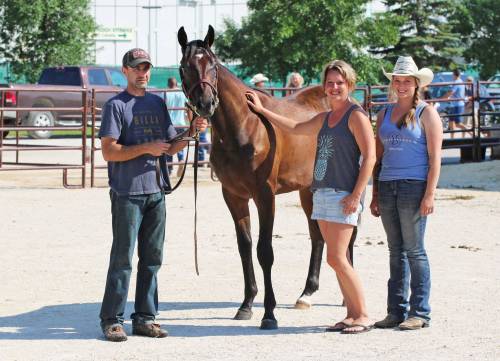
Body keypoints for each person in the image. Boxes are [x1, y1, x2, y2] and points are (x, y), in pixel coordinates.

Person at [246, 60, 376, 334]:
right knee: (333, 258)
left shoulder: (356, 116)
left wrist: (356, 194)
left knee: (339, 258)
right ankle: (351, 314)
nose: (334, 87)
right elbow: (294, 127)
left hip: (343, 194)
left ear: (349, 85)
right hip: (324, 192)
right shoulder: (327, 118)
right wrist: (262, 111)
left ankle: (362, 314)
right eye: (329, 83)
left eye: (339, 83)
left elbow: (370, 156)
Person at [98, 48, 207, 342]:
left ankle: (145, 317)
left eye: (146, 68)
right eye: (137, 68)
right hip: (127, 193)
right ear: (126, 71)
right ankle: (111, 319)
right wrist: (145, 149)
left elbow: (169, 146)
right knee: (122, 258)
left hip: (156, 191)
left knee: (152, 258)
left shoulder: (157, 104)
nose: (142, 73)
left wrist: (190, 132)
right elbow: (109, 151)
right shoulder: (116, 106)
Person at [370, 56, 443, 331]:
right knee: (395, 251)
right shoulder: (384, 114)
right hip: (388, 185)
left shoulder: (427, 113)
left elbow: (435, 158)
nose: (401, 85)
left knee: (415, 250)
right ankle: (395, 311)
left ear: (416, 84)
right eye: (397, 80)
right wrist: (376, 192)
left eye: (406, 81)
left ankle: (420, 312)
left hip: (414, 186)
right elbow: (379, 158)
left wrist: (430, 194)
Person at [165, 77, 190, 176]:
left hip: (170, 124)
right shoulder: (181, 93)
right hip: (181, 123)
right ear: (176, 84)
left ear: (168, 84)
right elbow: (187, 107)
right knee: (180, 144)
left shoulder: (166, 93)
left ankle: (169, 168)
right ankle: (181, 159)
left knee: (169, 146)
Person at [443, 69, 467, 138]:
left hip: (457, 105)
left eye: (452, 74)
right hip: (455, 104)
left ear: (454, 74)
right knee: (451, 122)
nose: (452, 76)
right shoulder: (460, 82)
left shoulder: (457, 82)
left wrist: (442, 98)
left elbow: (451, 92)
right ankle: (452, 139)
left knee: (458, 123)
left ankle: (470, 132)